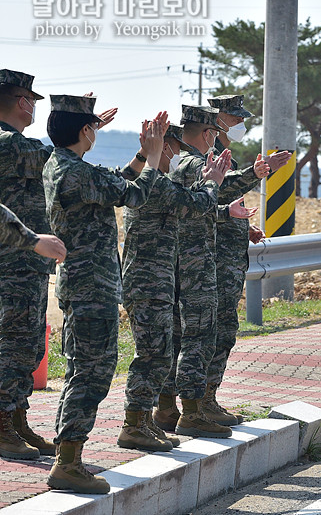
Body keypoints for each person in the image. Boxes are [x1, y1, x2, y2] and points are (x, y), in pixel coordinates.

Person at [43, 93, 161, 494]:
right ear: (85, 131)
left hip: (83, 284)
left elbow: (115, 182)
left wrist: (141, 158)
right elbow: (136, 195)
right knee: (92, 372)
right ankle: (68, 462)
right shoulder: (76, 173)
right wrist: (155, 155)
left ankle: (68, 454)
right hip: (91, 285)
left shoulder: (62, 165)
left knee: (83, 369)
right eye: (91, 126)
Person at [118, 120, 234, 452]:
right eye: (176, 150)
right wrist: (212, 182)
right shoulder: (155, 183)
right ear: (165, 147)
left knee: (158, 353)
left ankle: (144, 421)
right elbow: (194, 204)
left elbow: (190, 209)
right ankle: (134, 424)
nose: (179, 157)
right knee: (152, 354)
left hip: (155, 281)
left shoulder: (153, 181)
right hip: (148, 283)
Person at [154, 105, 266, 439]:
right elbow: (197, 203)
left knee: (190, 335)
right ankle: (191, 408)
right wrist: (254, 175)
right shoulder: (194, 163)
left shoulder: (193, 162)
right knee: (197, 337)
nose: (238, 127)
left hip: (199, 262)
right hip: (198, 266)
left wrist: (232, 218)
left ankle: (184, 406)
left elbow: (200, 205)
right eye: (233, 122)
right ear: (210, 130)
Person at [203, 94, 292, 426]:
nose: (242, 125)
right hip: (213, 260)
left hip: (227, 256)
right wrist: (261, 172)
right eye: (236, 119)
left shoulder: (225, 155)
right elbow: (213, 195)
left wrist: (243, 225)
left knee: (222, 330)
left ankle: (206, 399)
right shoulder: (208, 157)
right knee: (212, 331)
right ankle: (200, 402)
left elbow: (221, 205)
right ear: (219, 120)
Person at [0, 69, 62, 460]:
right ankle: (4, 425)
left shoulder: (19, 144)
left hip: (26, 264)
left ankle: (17, 419)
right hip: (12, 264)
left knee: (24, 347)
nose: (34, 107)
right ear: (23, 102)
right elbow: (58, 160)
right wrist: (73, 131)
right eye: (33, 101)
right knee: (12, 346)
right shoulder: (10, 145)